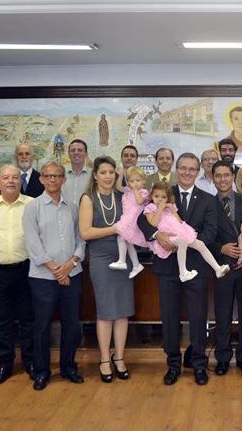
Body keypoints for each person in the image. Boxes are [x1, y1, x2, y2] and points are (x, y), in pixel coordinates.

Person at [137, 153, 221, 386]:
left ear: (198, 172)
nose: (186, 172)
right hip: (166, 268)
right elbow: (143, 221)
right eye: (182, 168)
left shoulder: (208, 199)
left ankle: (199, 364)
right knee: (170, 318)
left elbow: (210, 233)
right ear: (177, 168)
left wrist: (183, 243)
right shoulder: (162, 192)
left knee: (198, 317)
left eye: (192, 169)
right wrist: (157, 235)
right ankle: (173, 364)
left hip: (195, 267)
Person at [22, 161, 85, 391]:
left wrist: (70, 264)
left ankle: (68, 367)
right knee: (42, 326)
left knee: (71, 325)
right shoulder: (32, 207)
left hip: (73, 274)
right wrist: (56, 270)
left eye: (57, 176)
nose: (52, 180)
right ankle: (41, 371)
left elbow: (81, 239)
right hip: (42, 277)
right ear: (41, 179)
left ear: (64, 179)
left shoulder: (73, 207)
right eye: (48, 176)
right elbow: (32, 243)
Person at [78, 156, 139, 383]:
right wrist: (114, 229)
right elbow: (85, 232)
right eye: (103, 172)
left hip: (124, 259)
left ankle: (119, 357)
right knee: (105, 311)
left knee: (123, 311)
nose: (107, 176)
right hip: (101, 258)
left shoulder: (122, 197)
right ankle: (104, 359)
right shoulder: (88, 198)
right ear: (95, 175)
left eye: (111, 172)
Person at [0, 165, 34, 386]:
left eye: (15, 178)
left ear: (21, 182)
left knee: (29, 320)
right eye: (6, 178)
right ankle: (4, 364)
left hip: (27, 269)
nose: (11, 181)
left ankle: (29, 362)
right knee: (2, 321)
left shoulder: (32, 205)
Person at [210, 161, 242, 375]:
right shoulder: (208, 202)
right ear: (213, 177)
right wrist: (221, 248)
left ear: (233, 176)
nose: (223, 179)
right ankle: (223, 357)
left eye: (227, 175)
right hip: (222, 267)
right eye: (218, 175)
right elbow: (202, 236)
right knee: (223, 313)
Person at [144, 181, 230, 282]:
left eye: (163, 197)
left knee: (200, 244)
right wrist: (159, 210)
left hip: (178, 232)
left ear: (168, 198)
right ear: (151, 196)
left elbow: (179, 221)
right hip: (168, 235)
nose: (160, 199)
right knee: (182, 242)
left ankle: (217, 268)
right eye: (156, 196)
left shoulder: (170, 207)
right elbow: (153, 223)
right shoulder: (150, 208)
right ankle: (183, 272)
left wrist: (172, 210)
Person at [110, 166, 148, 278]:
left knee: (121, 237)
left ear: (143, 181)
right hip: (127, 217)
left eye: (138, 180)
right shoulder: (127, 190)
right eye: (132, 181)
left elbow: (140, 201)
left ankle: (122, 260)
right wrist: (121, 175)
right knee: (128, 242)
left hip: (133, 220)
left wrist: (136, 190)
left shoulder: (144, 192)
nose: (135, 183)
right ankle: (136, 265)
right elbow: (118, 187)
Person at [62, 139, 92, 208]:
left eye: (80, 150)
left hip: (87, 217)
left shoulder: (93, 175)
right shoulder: (60, 174)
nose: (76, 153)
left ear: (86, 154)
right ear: (69, 154)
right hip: (65, 217)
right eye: (73, 150)